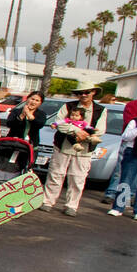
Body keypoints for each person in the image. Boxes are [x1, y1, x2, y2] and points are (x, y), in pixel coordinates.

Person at [40, 85, 106, 217]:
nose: (83, 95)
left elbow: (100, 130)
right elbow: (59, 123)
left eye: (87, 92)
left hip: (84, 150)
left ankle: (71, 205)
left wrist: (86, 136)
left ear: (93, 92)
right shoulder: (68, 106)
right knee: (55, 174)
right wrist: (76, 130)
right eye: (80, 93)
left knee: (78, 178)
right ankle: (47, 201)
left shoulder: (101, 110)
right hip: (63, 147)